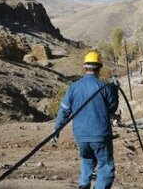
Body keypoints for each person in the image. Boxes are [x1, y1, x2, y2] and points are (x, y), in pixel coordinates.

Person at [53, 51, 119, 189]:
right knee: (106, 167)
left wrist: (56, 130)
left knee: (87, 160)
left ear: (85, 68)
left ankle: (83, 185)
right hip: (100, 135)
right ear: (99, 68)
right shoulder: (105, 87)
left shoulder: (73, 87)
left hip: (81, 136)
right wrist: (114, 90)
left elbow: (64, 111)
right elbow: (112, 109)